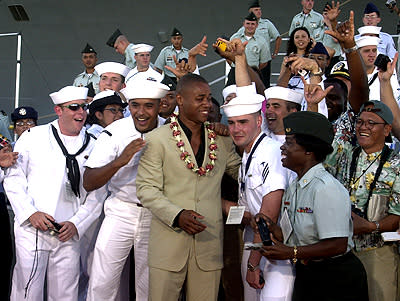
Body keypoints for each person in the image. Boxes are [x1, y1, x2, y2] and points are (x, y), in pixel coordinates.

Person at [136, 73, 241, 300]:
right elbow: (146, 189)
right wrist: (177, 215)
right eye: (200, 98)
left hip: (209, 244)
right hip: (168, 244)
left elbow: (243, 173)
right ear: (180, 100)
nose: (207, 104)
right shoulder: (157, 139)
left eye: (209, 98)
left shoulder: (221, 140)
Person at [4, 86, 101, 300]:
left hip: (68, 231)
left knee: (66, 294)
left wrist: (78, 223)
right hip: (32, 229)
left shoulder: (95, 144)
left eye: (83, 107)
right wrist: (30, 213)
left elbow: (98, 192)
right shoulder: (32, 137)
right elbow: (14, 178)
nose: (80, 113)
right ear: (58, 110)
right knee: (27, 291)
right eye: (73, 108)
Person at [259, 111, 368, 301]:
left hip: (336, 278)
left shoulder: (326, 188)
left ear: (308, 150)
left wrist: (291, 253)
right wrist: (270, 227)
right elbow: (291, 235)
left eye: (290, 143)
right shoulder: (295, 186)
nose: (282, 148)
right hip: (308, 273)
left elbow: (337, 244)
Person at [84, 80, 169, 301]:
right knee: (102, 280)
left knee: (151, 284)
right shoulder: (115, 131)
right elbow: (89, 181)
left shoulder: (172, 130)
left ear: (160, 106)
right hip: (121, 211)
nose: (140, 112)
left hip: (157, 214)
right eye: (134, 105)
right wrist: (119, 161)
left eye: (148, 106)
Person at [222, 46, 294, 300]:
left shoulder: (271, 151)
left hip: (275, 247)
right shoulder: (249, 152)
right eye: (231, 123)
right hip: (253, 242)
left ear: (259, 121)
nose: (236, 129)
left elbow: (269, 211)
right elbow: (245, 93)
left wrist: (254, 262)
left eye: (243, 122)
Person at [232, 0, 282, 88]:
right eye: (256, 10)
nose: (259, 12)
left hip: (262, 60)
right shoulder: (240, 32)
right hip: (243, 65)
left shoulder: (267, 24)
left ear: (256, 25)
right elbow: (228, 47)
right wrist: (233, 63)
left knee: (263, 85)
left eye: (259, 10)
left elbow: (278, 37)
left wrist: (275, 52)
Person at [355, 35, 400, 103]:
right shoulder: (349, 71)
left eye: (374, 50)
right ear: (357, 54)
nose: (372, 54)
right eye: (367, 51)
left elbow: (396, 98)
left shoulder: (385, 72)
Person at [230, 12, 269, 82]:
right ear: (244, 24)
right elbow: (228, 56)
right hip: (235, 72)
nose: (250, 26)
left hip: (253, 74)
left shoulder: (262, 41)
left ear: (257, 25)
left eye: (253, 24)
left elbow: (264, 62)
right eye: (248, 23)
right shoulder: (235, 38)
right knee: (230, 91)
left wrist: (251, 70)